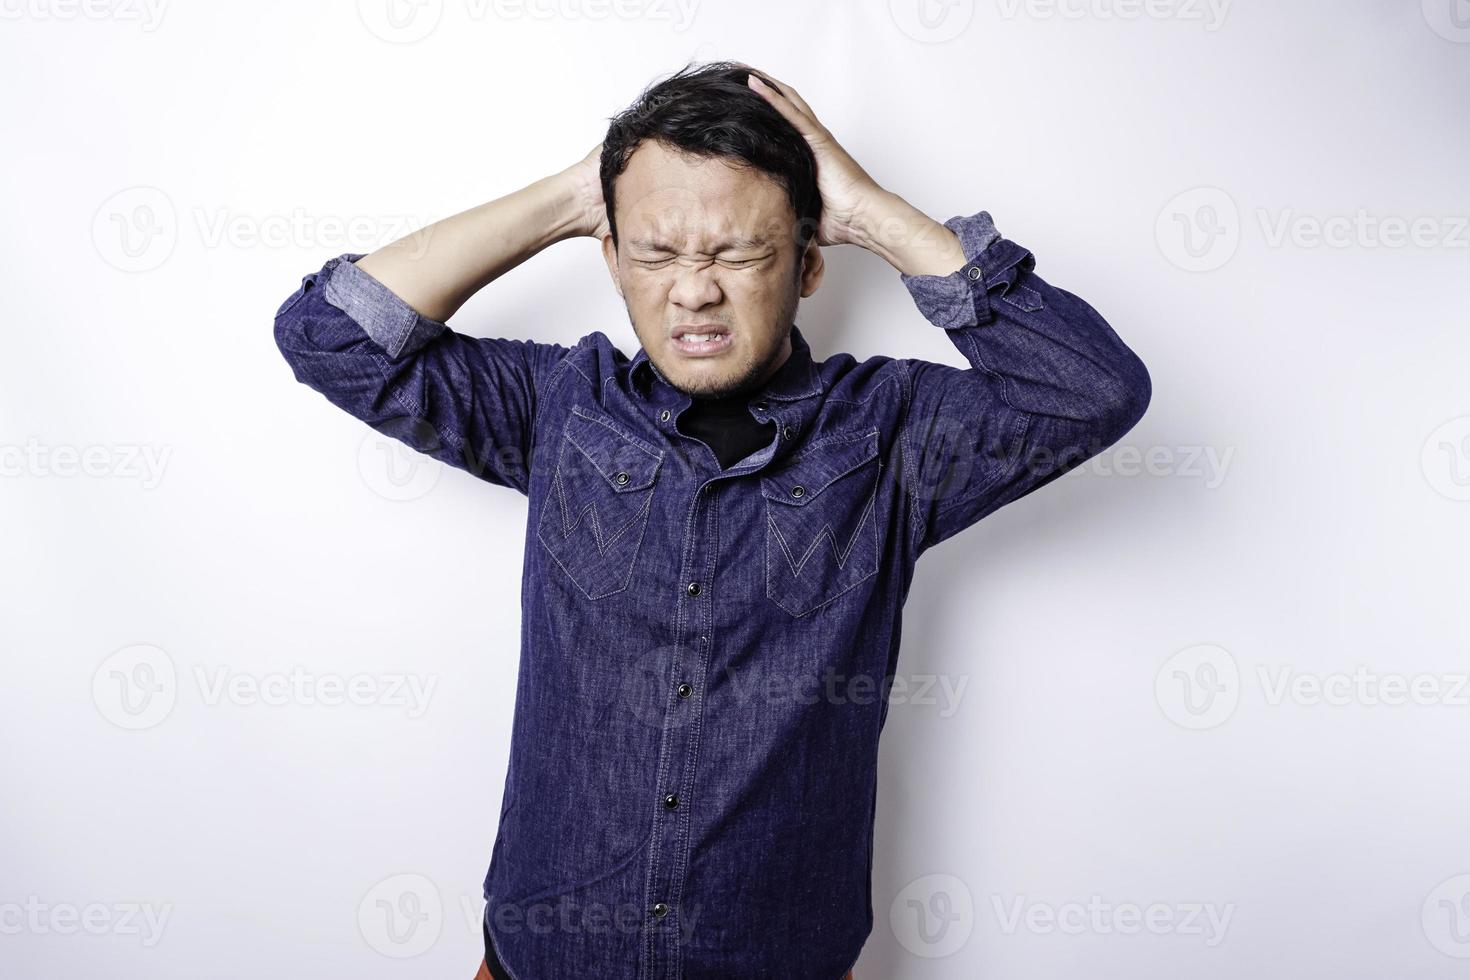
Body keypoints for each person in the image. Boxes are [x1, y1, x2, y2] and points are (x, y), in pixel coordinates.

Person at [273, 60, 1150, 980]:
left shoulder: (893, 433)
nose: (693, 291)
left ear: (811, 263)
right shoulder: (556, 406)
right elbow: (327, 335)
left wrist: (869, 210)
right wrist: (578, 191)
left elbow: (1092, 392)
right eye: (656, 253)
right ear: (609, 257)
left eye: (738, 253)